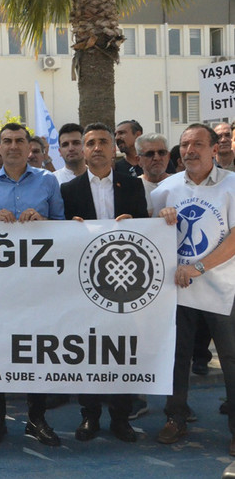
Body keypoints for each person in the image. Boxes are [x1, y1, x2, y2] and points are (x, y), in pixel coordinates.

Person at [0, 123, 65, 447]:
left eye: (19, 140)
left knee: (36, 351)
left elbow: (64, 228)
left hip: (39, 283)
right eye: (6, 141)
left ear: (29, 147)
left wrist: (45, 222)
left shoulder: (49, 181)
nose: (12, 146)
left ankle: (37, 419)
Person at [59, 123, 148, 443]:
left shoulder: (134, 186)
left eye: (103, 142)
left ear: (114, 149)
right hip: (86, 285)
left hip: (125, 286)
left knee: (123, 351)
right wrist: (70, 228)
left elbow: (146, 233)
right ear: (83, 150)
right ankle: (89, 416)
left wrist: (136, 224)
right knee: (88, 351)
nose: (96, 147)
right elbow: (62, 239)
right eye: (90, 143)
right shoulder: (68, 191)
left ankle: (121, 417)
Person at [151, 123, 235, 455]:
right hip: (177, 290)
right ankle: (175, 418)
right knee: (176, 357)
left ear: (215, 149)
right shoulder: (165, 189)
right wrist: (161, 217)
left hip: (223, 289)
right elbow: (150, 234)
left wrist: (198, 268)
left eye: (198, 144)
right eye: (185, 144)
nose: (189, 150)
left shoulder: (233, 185)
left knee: (230, 359)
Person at [136, 133, 171, 216]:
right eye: (150, 154)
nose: (157, 158)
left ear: (168, 156)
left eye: (161, 152)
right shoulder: (132, 188)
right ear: (138, 160)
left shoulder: (180, 184)